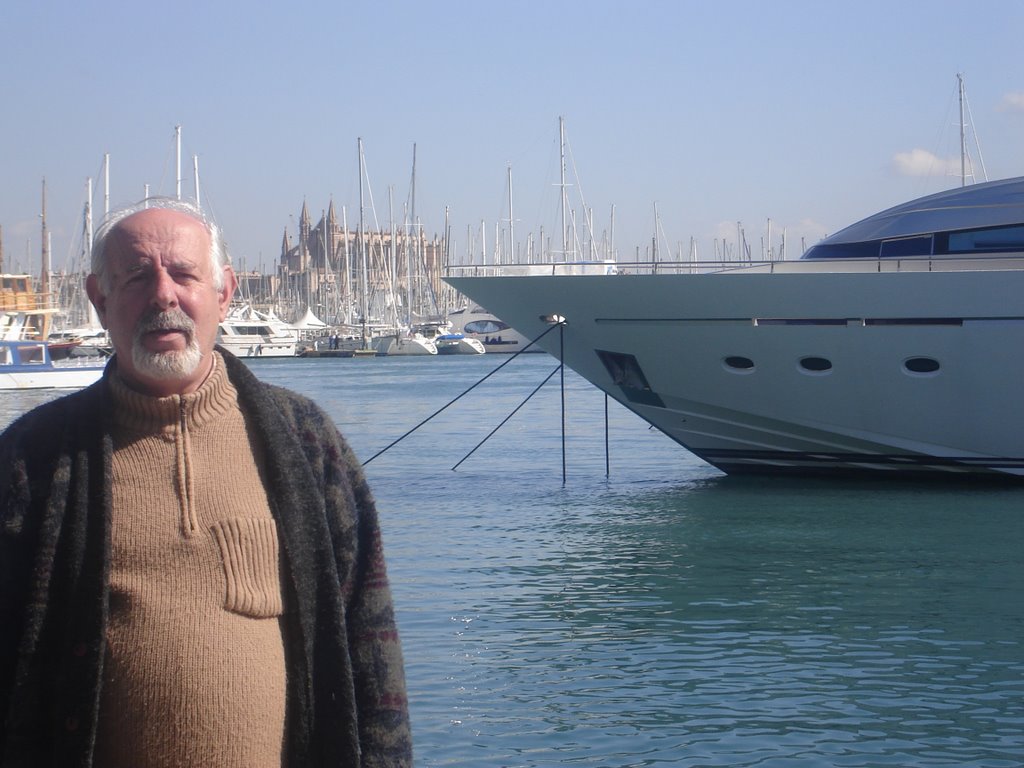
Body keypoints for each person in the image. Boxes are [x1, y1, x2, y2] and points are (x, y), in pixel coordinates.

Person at [0, 198, 412, 767]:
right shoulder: (32, 459)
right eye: (138, 275)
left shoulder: (308, 443)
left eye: (185, 274)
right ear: (99, 299)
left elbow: (370, 645)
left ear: (224, 293)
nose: (164, 294)